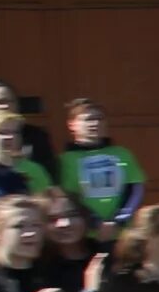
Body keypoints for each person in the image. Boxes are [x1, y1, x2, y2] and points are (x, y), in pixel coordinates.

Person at [54, 98, 144, 239]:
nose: (95, 123)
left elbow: (135, 188)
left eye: (100, 119)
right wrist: (94, 222)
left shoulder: (122, 153)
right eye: (88, 119)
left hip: (122, 232)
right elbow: (70, 196)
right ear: (72, 124)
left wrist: (118, 220)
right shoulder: (66, 159)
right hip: (87, 234)